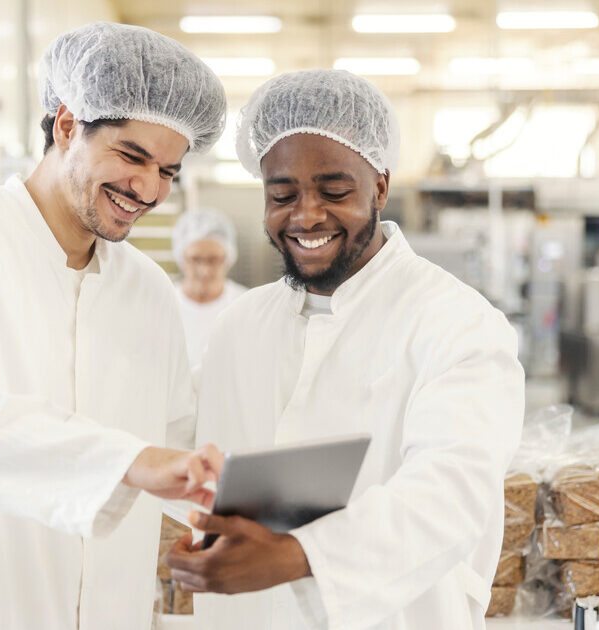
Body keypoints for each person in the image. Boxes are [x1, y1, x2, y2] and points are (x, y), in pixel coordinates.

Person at [0, 22, 226, 630]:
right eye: (132, 156)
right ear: (66, 125)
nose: (149, 188)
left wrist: (225, 519)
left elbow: (176, 445)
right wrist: (127, 461)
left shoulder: (149, 291)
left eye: (168, 171)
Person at [166, 69, 525, 629]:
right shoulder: (240, 326)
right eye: (282, 195)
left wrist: (298, 557)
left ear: (380, 185)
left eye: (334, 192)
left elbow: (453, 490)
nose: (306, 215)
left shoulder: (456, 323)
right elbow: (182, 450)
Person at [172, 209, 247, 368]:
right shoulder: (165, 304)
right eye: (196, 259)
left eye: (213, 260)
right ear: (181, 257)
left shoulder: (246, 305)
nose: (204, 271)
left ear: (228, 258)